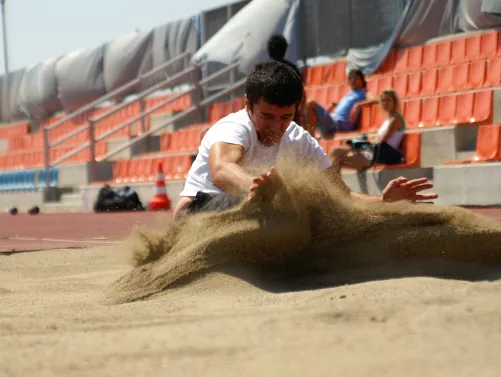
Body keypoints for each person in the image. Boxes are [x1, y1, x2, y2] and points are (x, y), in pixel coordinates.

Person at [172, 60, 437, 221]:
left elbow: (340, 195)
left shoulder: (300, 140)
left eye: (286, 117)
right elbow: (221, 169)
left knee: (321, 210)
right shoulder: (232, 127)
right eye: (266, 115)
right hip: (198, 212)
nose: (276, 126)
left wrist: (382, 202)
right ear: (247, 105)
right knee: (282, 209)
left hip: (251, 217)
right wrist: (254, 188)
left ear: (297, 110)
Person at [330, 89, 406, 174]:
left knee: (337, 153)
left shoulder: (396, 119)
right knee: (336, 155)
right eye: (383, 100)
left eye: (388, 100)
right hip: (373, 153)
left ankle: (333, 186)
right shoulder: (388, 119)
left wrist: (363, 144)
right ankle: (334, 185)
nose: (385, 103)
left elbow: (382, 140)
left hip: (380, 154)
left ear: (394, 102)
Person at [304, 69, 378, 138]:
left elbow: (376, 99)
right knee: (304, 110)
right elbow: (345, 107)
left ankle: (311, 139)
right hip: (333, 122)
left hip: (340, 124)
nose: (353, 80)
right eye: (350, 78)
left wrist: (358, 104)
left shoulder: (364, 92)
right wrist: (334, 105)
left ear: (362, 80)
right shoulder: (348, 94)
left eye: (356, 77)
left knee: (310, 104)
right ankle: (311, 138)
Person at [267, 34, 305, 127]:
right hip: (291, 118)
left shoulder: (264, 70)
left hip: (270, 118)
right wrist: (299, 114)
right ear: (284, 49)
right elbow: (303, 94)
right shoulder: (293, 69)